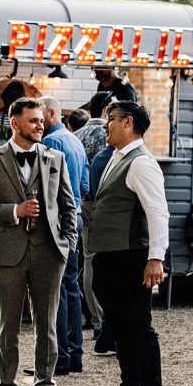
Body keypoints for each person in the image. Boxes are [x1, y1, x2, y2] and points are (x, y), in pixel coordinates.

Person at [0, 97, 78, 386]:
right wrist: (14, 211)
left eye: (42, 120)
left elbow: (68, 205)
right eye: (33, 121)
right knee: (8, 325)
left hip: (49, 252)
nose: (40, 125)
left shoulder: (54, 157)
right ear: (14, 123)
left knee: (47, 325)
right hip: (7, 251)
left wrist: (66, 244)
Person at [88, 101, 169, 386]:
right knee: (121, 328)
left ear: (128, 123)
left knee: (138, 329)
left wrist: (155, 259)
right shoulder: (116, 158)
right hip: (110, 255)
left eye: (111, 120)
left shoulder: (141, 164)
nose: (106, 125)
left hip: (131, 256)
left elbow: (157, 212)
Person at [40, 95, 89, 375]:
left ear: (50, 113)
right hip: (77, 217)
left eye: (39, 116)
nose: (38, 121)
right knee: (72, 286)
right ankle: (76, 353)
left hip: (56, 220)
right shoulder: (76, 141)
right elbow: (84, 185)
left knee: (54, 288)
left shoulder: (50, 143)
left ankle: (58, 357)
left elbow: (46, 187)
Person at [76, 90, 113, 341]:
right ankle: (105, 320)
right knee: (106, 261)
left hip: (81, 203)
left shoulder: (75, 135)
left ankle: (96, 319)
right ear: (105, 109)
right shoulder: (107, 135)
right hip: (102, 202)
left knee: (88, 260)